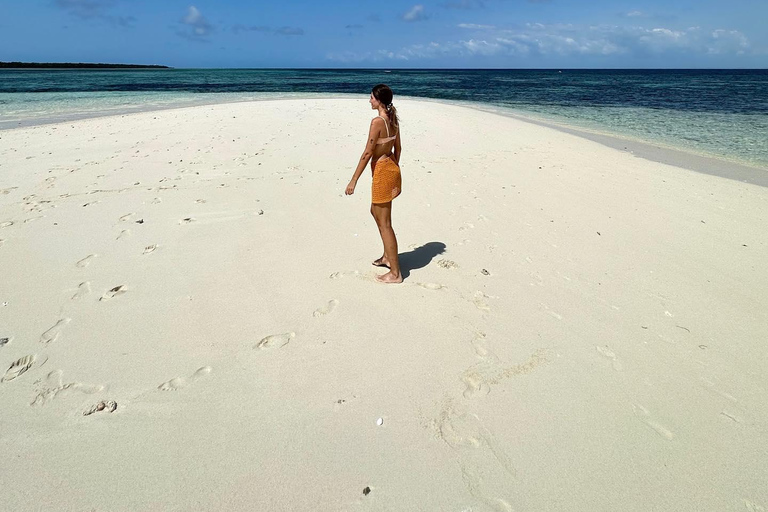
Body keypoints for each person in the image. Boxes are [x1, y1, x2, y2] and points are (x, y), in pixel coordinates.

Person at [345, 84, 403, 284]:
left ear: (379, 100)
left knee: (385, 223)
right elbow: (398, 148)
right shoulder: (393, 119)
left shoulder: (377, 121)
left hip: (382, 172)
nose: (369, 101)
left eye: (371, 97)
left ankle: (395, 273)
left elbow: (368, 153)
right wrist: (392, 164)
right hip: (389, 168)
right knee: (375, 212)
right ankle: (388, 256)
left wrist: (353, 180)